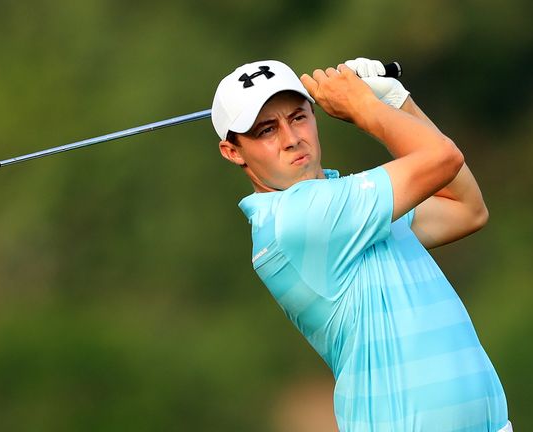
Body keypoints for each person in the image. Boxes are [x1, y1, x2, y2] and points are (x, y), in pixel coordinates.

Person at [211, 58, 511, 432]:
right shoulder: (295, 219)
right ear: (233, 152)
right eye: (266, 130)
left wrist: (399, 103)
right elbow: (443, 158)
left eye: (298, 117)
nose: (291, 139)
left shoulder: (349, 207)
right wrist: (366, 107)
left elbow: (465, 209)